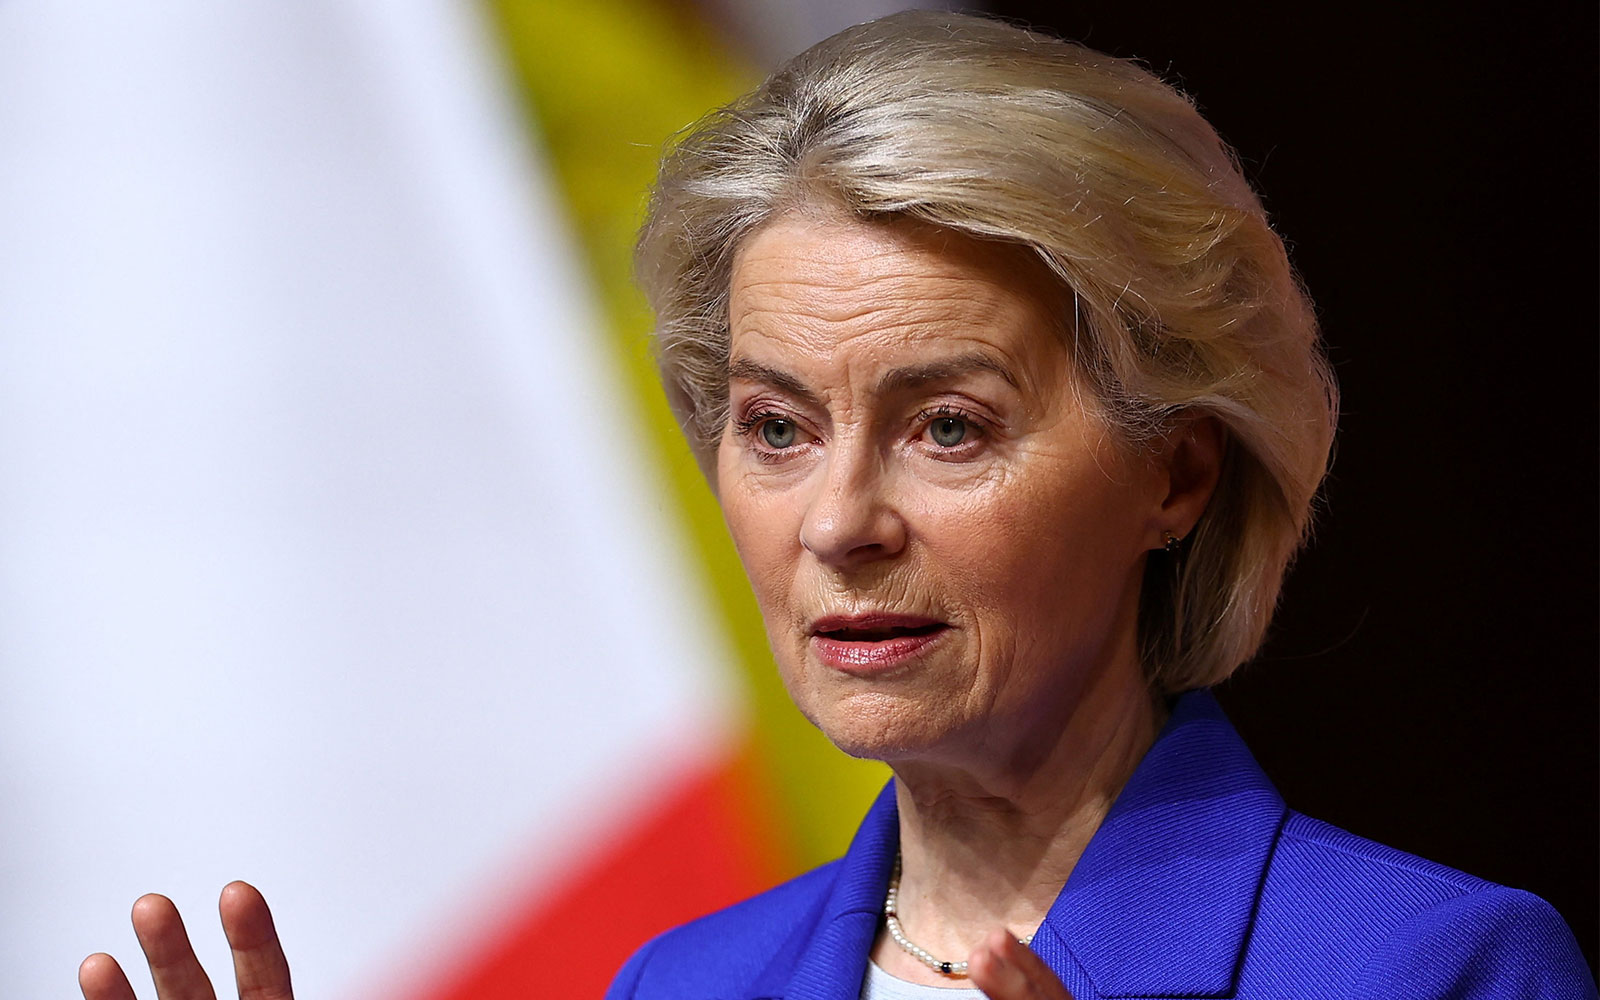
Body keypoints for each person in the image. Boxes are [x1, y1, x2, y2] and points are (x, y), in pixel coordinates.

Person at [78, 11, 1596, 1000]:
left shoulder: (1433, 969)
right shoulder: (683, 983)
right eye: (778, 429)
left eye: (948, 427)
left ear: (1175, 471)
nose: (838, 521)